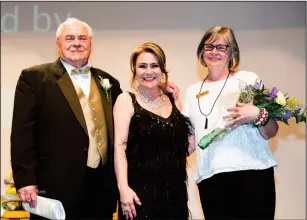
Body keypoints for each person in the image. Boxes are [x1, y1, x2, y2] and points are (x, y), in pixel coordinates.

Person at [182, 26, 278, 220]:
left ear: (232, 51)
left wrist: (258, 113)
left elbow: (271, 131)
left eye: (221, 47)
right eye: (209, 46)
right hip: (211, 179)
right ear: (202, 51)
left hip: (253, 174)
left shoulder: (248, 79)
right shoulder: (192, 92)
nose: (214, 51)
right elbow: (189, 143)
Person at [113, 42, 195, 220]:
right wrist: (123, 188)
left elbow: (187, 146)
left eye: (154, 65)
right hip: (139, 195)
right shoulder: (126, 100)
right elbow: (119, 147)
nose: (148, 71)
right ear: (134, 71)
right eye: (142, 66)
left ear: (162, 70)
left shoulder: (173, 101)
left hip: (174, 193)